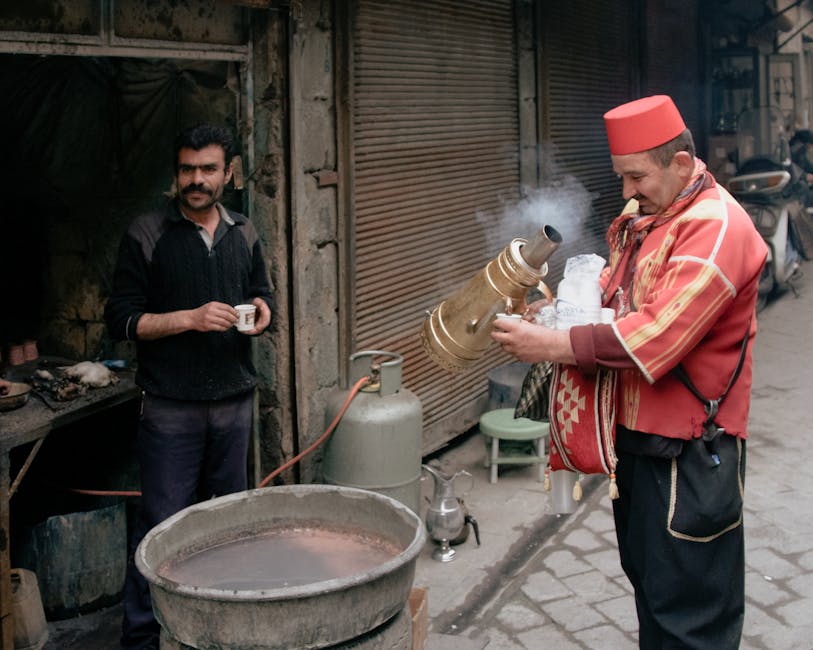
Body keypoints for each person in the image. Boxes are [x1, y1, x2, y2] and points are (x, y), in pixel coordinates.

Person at [492, 95, 767, 648]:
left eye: (636, 177)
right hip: (640, 444)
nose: (626, 192)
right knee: (652, 591)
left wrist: (548, 344)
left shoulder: (714, 232)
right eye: (621, 177)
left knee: (689, 617)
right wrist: (555, 310)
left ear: (682, 164)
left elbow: (657, 335)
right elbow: (620, 299)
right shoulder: (648, 216)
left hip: (690, 454)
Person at [104, 122, 273, 650]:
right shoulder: (147, 234)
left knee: (230, 522)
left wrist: (264, 312)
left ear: (229, 173)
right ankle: (142, 638)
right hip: (171, 407)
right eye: (186, 169)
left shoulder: (243, 231)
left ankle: (221, 630)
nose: (196, 179)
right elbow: (122, 321)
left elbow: (263, 293)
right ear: (176, 173)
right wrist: (189, 319)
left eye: (207, 169)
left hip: (233, 401)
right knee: (161, 528)